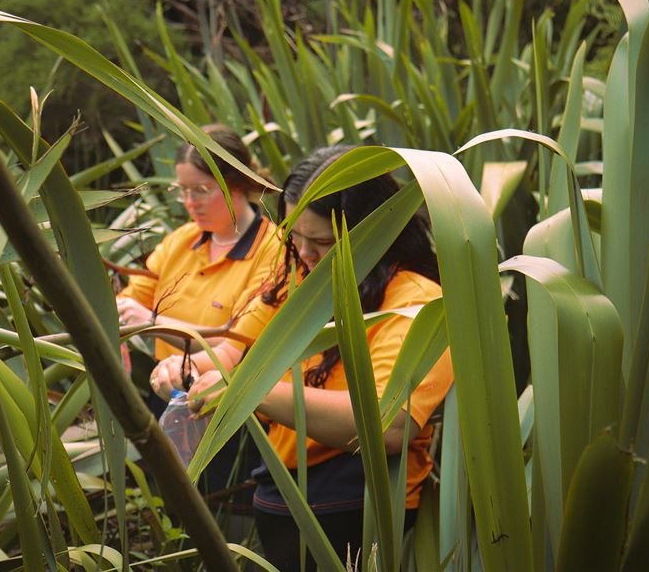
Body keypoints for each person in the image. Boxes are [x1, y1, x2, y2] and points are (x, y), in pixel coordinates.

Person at [153, 145, 454, 571]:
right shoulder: (299, 275)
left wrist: (247, 390)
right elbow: (235, 349)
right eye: (294, 237)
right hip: (281, 486)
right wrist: (185, 368)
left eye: (322, 242)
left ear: (374, 231)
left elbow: (389, 424)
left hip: (359, 504)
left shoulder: (418, 303)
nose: (304, 253)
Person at [116, 124, 281, 373]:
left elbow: (241, 344)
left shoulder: (274, 251)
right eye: (183, 191)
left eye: (201, 191)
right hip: (165, 389)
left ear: (236, 184)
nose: (191, 204)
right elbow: (133, 298)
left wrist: (151, 323)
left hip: (227, 395)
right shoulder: (180, 240)